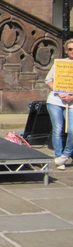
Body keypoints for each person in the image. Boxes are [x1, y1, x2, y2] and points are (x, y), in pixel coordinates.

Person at [45, 38, 73, 170]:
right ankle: (58, 156)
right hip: (55, 101)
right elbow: (48, 80)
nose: (72, 51)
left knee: (72, 130)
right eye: (69, 49)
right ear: (66, 50)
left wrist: (71, 96)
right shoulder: (59, 64)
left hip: (71, 102)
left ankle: (66, 155)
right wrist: (59, 91)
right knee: (58, 129)